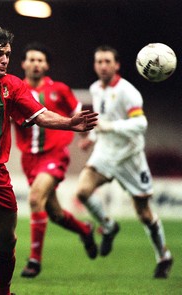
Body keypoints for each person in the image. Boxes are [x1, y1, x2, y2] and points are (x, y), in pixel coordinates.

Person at [0, 26, 98, 295]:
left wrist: (69, 123)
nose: (5, 59)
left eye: (7, 54)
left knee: (6, 240)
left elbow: (40, 114)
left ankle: (1, 290)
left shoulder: (13, 85)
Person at [75, 45, 173, 278]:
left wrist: (110, 127)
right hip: (106, 152)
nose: (103, 66)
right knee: (82, 191)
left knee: (144, 214)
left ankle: (163, 256)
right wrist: (92, 138)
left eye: (107, 61)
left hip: (130, 157)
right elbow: (102, 119)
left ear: (117, 64)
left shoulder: (128, 91)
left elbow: (141, 125)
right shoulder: (95, 89)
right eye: (99, 61)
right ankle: (109, 226)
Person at [13, 42, 98, 278]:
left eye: (40, 60)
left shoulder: (59, 89)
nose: (36, 64)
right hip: (29, 159)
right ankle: (85, 229)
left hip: (55, 154)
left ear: (47, 65)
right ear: (23, 64)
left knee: (34, 198)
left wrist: (85, 135)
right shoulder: (15, 89)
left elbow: (79, 114)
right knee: (55, 213)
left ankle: (34, 261)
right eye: (31, 59)